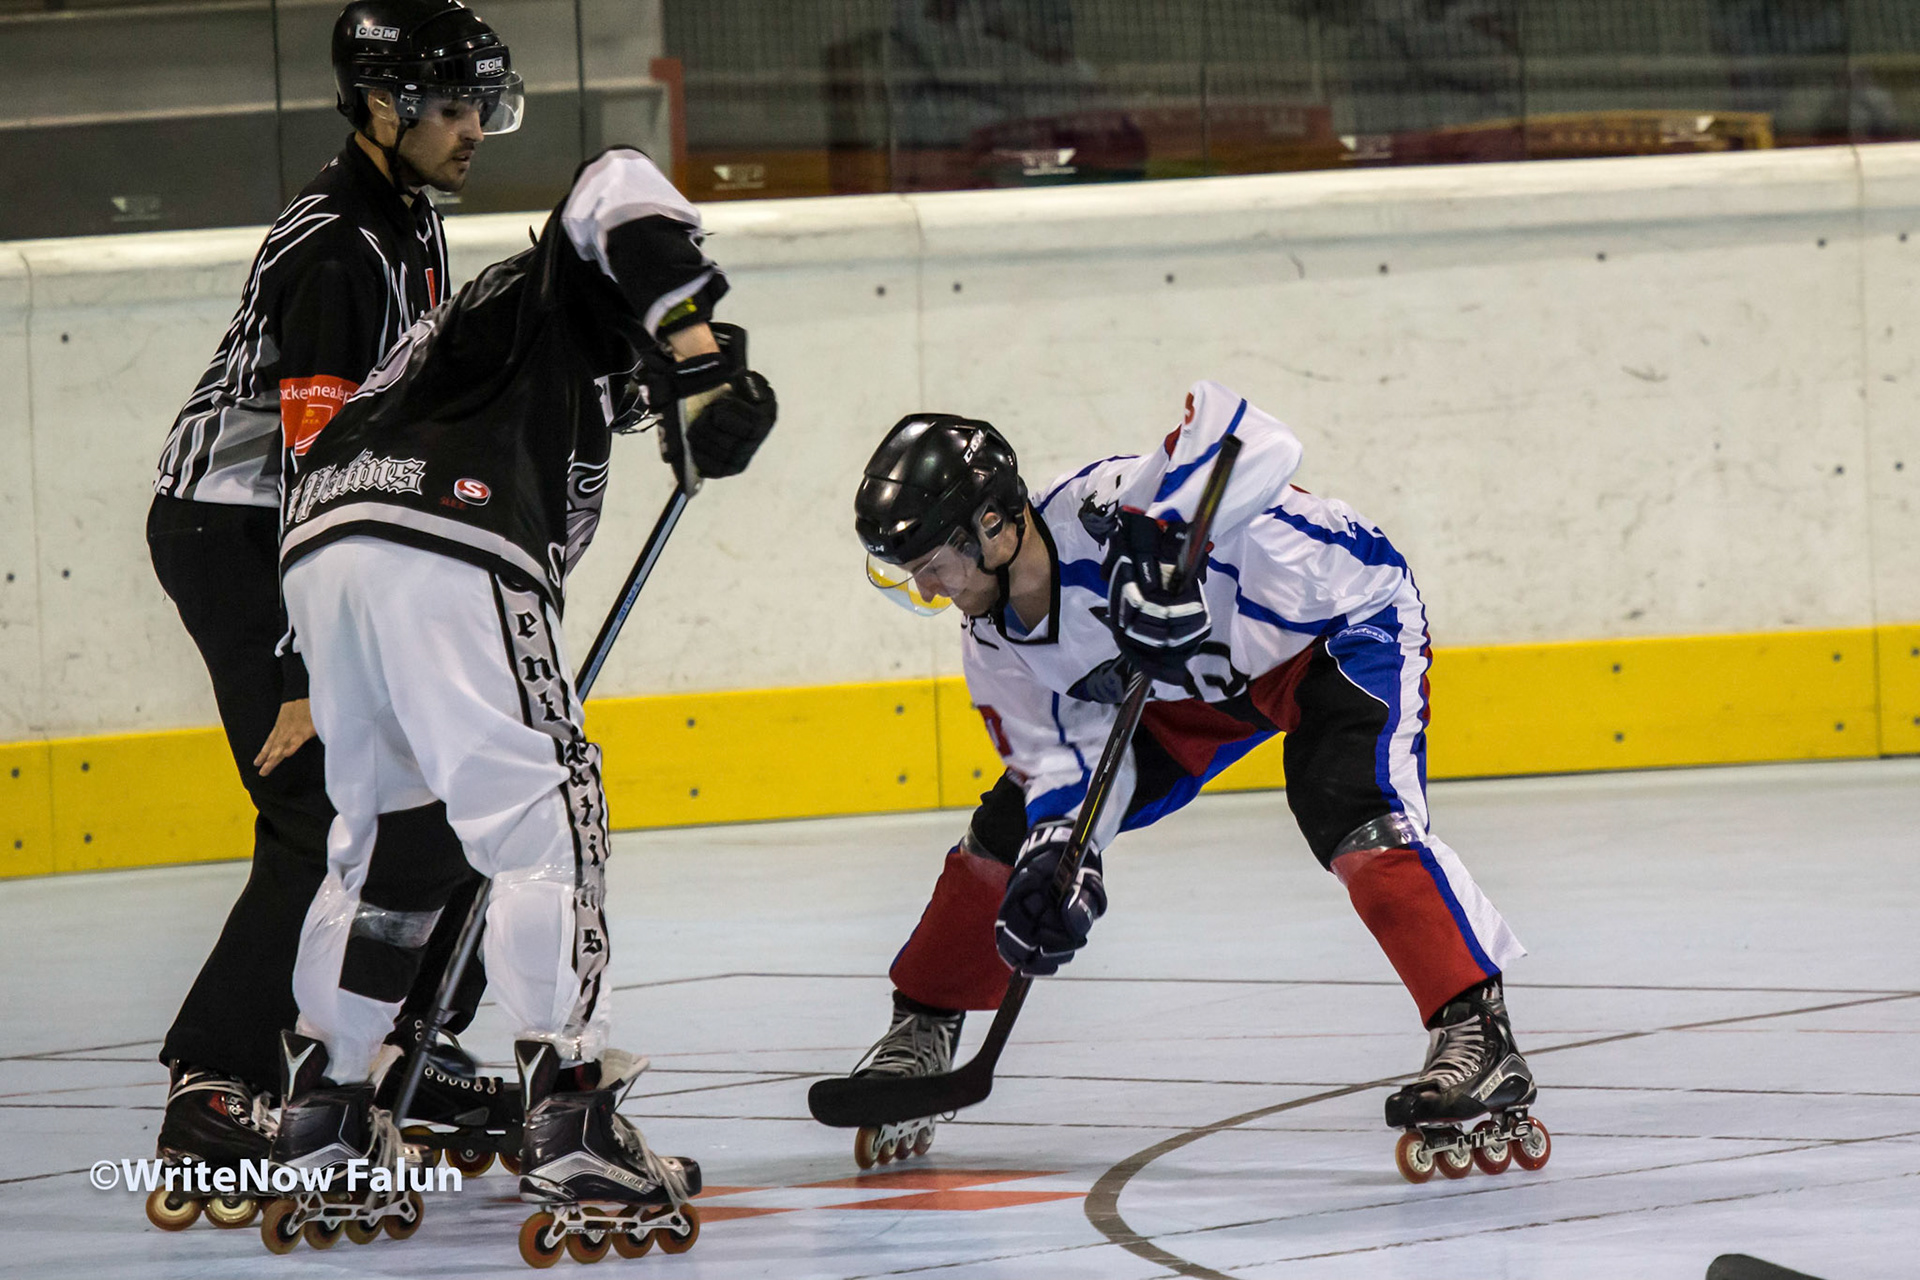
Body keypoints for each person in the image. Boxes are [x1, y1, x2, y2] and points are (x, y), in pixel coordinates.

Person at [260, 144, 776, 1257]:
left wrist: (687, 394)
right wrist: (697, 353)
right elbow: (616, 184)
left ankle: (327, 1106)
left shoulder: (483, 348)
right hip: (447, 530)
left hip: (329, 551)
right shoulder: (558, 284)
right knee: (549, 816)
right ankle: (572, 1100)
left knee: (385, 848)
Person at [837, 383, 1545, 1180]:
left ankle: (1476, 1030)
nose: (931, 593)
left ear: (995, 528)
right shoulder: (995, 650)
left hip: (1330, 626)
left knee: (1351, 809)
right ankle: (924, 1027)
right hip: (1192, 687)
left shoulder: (1106, 508)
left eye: (934, 567)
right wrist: (1063, 864)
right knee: (1006, 838)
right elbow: (1065, 771)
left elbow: (1256, 438)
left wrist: (1166, 536)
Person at [143, 0, 524, 1230]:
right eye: (453, 108)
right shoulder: (337, 248)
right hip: (242, 532)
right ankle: (218, 1083)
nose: (474, 131)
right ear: (380, 107)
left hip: (324, 530)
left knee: (448, 781)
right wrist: (310, 669)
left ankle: (409, 1032)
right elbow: (313, 462)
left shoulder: (408, 218)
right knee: (317, 798)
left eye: (482, 107)